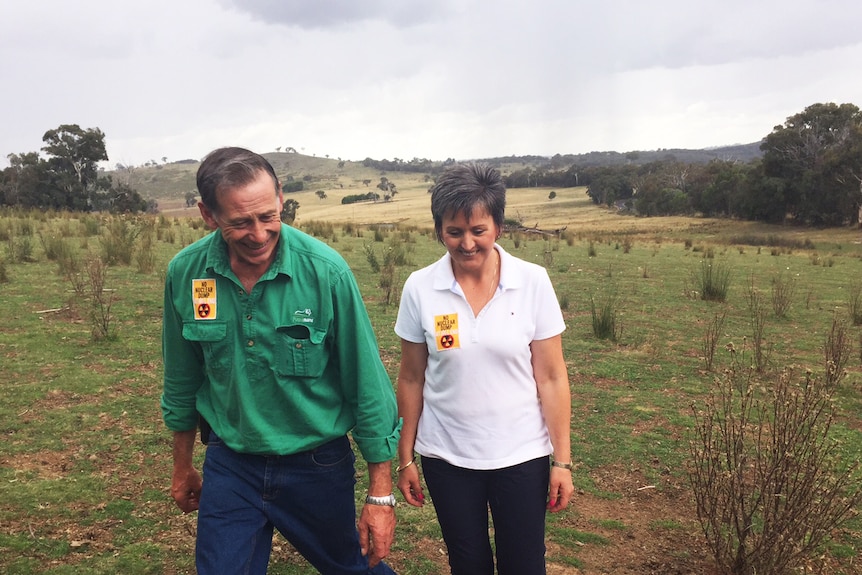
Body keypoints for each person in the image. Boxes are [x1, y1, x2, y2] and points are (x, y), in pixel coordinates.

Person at [161, 146, 401, 575]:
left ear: (281, 197)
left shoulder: (326, 272)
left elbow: (367, 383)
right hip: (231, 460)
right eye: (240, 222)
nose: (259, 234)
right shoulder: (187, 273)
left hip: (316, 463)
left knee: (355, 566)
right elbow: (181, 379)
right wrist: (182, 466)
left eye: (268, 216)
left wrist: (380, 495)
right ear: (207, 214)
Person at [394, 162, 574, 574]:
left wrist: (561, 462)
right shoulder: (419, 288)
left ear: (499, 227)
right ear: (439, 229)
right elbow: (411, 377)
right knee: (468, 563)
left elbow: (551, 376)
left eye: (478, 230)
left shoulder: (532, 282)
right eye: (454, 232)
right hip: (447, 457)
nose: (467, 243)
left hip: (522, 455)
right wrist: (405, 457)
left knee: (524, 564)